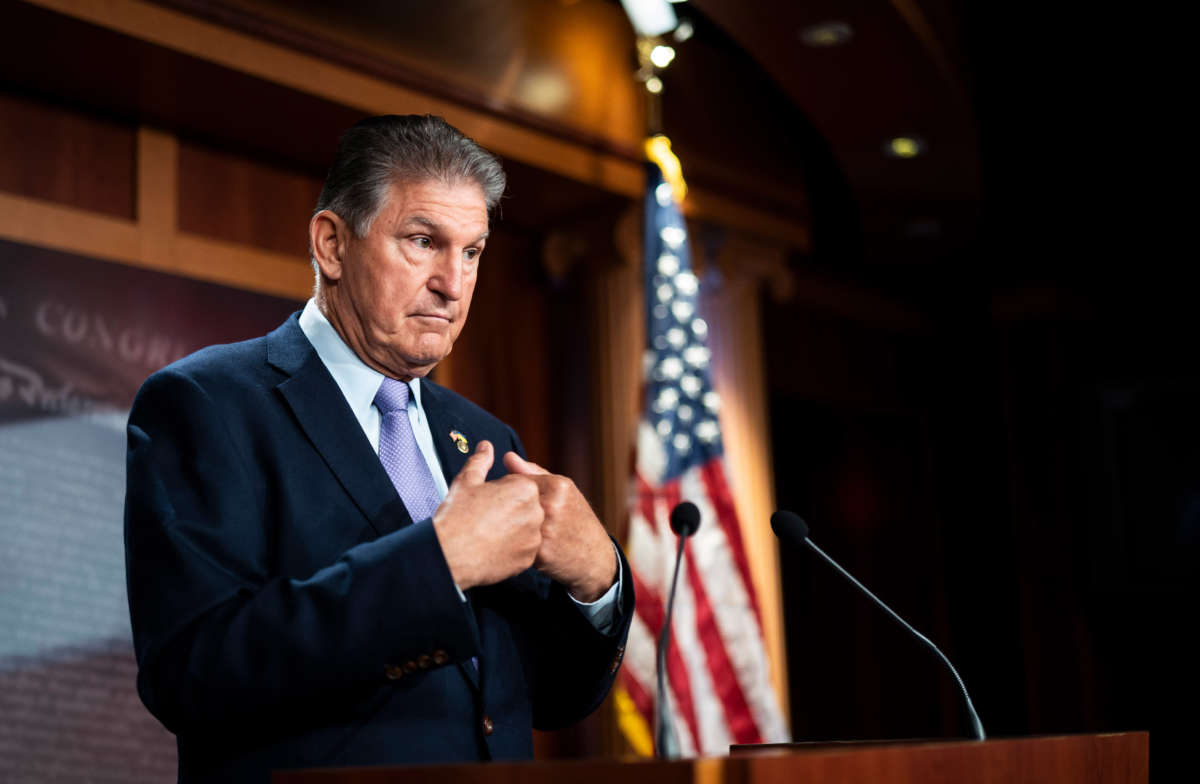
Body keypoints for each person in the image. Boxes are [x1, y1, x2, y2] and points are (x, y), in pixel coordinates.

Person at [124, 114, 632, 783]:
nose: (453, 284)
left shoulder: (485, 440)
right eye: (424, 242)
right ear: (332, 245)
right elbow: (191, 673)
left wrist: (597, 582)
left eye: (472, 252)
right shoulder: (206, 405)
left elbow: (545, 699)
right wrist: (438, 566)